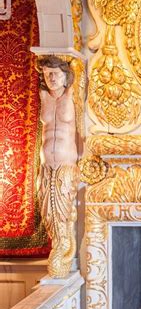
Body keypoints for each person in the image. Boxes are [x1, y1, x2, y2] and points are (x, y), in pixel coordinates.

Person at [37, 56, 78, 278]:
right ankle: (60, 250)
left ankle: (62, 252)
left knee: (62, 215)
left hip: (65, 167)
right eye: (47, 73)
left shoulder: (73, 94)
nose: (51, 78)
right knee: (50, 217)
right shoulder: (44, 96)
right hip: (47, 169)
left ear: (66, 75)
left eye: (56, 73)